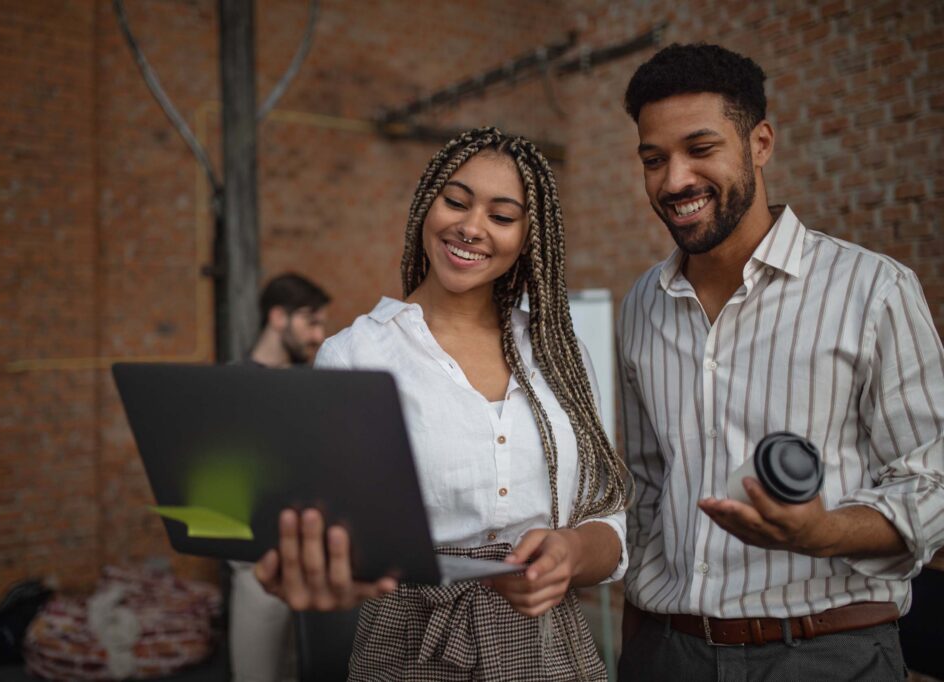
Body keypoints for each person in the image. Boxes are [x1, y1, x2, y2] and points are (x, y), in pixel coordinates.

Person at [616, 43, 944, 680]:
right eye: (654, 160)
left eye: (701, 149)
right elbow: (646, 491)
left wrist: (823, 533)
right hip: (667, 652)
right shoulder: (642, 306)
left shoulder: (873, 288)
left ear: (760, 143)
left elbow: (933, 481)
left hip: (825, 654)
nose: (674, 180)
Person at [252, 127, 630, 680]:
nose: (471, 227)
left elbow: (609, 518)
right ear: (428, 203)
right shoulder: (356, 354)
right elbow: (325, 524)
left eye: (501, 217)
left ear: (528, 237)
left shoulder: (560, 354)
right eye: (455, 201)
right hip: (410, 644)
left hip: (550, 648)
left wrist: (571, 552)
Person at [228, 273, 330, 682]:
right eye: (311, 321)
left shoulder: (317, 382)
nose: (319, 335)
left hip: (319, 557)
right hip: (256, 560)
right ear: (277, 317)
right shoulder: (231, 387)